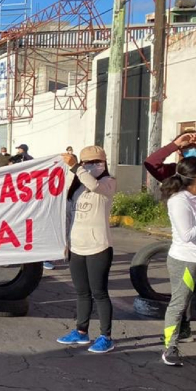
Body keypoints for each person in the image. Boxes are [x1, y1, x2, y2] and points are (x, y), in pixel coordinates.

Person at [55, 146, 118, 354]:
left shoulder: (107, 183)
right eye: (87, 163)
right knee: (82, 292)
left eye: (96, 162)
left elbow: (94, 184)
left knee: (99, 292)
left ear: (104, 163)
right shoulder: (77, 186)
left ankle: (106, 336)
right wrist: (65, 243)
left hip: (98, 246)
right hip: (76, 247)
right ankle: (81, 331)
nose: (92, 166)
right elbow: (68, 215)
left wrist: (76, 167)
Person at [158, 157, 196, 366]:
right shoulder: (179, 201)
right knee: (180, 303)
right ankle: (170, 347)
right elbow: (186, 235)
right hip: (186, 260)